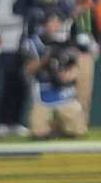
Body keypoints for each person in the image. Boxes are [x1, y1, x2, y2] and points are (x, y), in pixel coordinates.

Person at [22, 10, 88, 139]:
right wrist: (44, 60)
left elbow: (75, 66)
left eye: (58, 22)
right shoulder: (34, 43)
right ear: (44, 24)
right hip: (44, 89)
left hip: (63, 91)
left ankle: (59, 126)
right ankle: (51, 127)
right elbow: (28, 69)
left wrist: (68, 75)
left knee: (78, 130)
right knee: (38, 132)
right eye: (52, 22)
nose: (55, 25)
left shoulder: (67, 41)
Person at [0, 0, 34, 136]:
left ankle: (15, 122)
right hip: (9, 46)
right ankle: (2, 122)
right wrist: (24, 17)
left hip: (26, 49)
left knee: (22, 87)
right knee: (8, 85)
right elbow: (1, 19)